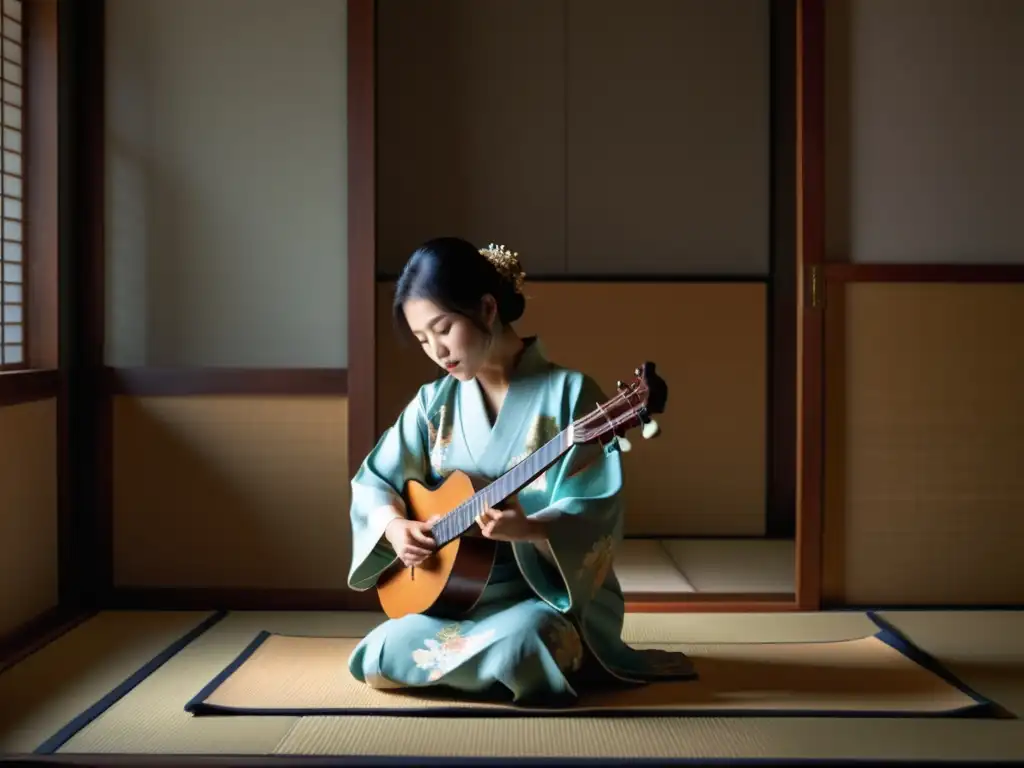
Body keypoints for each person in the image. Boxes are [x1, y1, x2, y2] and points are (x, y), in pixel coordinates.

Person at [346, 236, 696, 705]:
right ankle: (488, 668)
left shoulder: (570, 394)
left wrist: (531, 528)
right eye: (422, 339)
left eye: (444, 328)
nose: (436, 351)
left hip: (536, 601)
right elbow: (375, 480)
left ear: (488, 308)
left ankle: (495, 665)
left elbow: (595, 510)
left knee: (526, 646)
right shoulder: (434, 404)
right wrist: (394, 526)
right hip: (450, 602)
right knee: (378, 651)